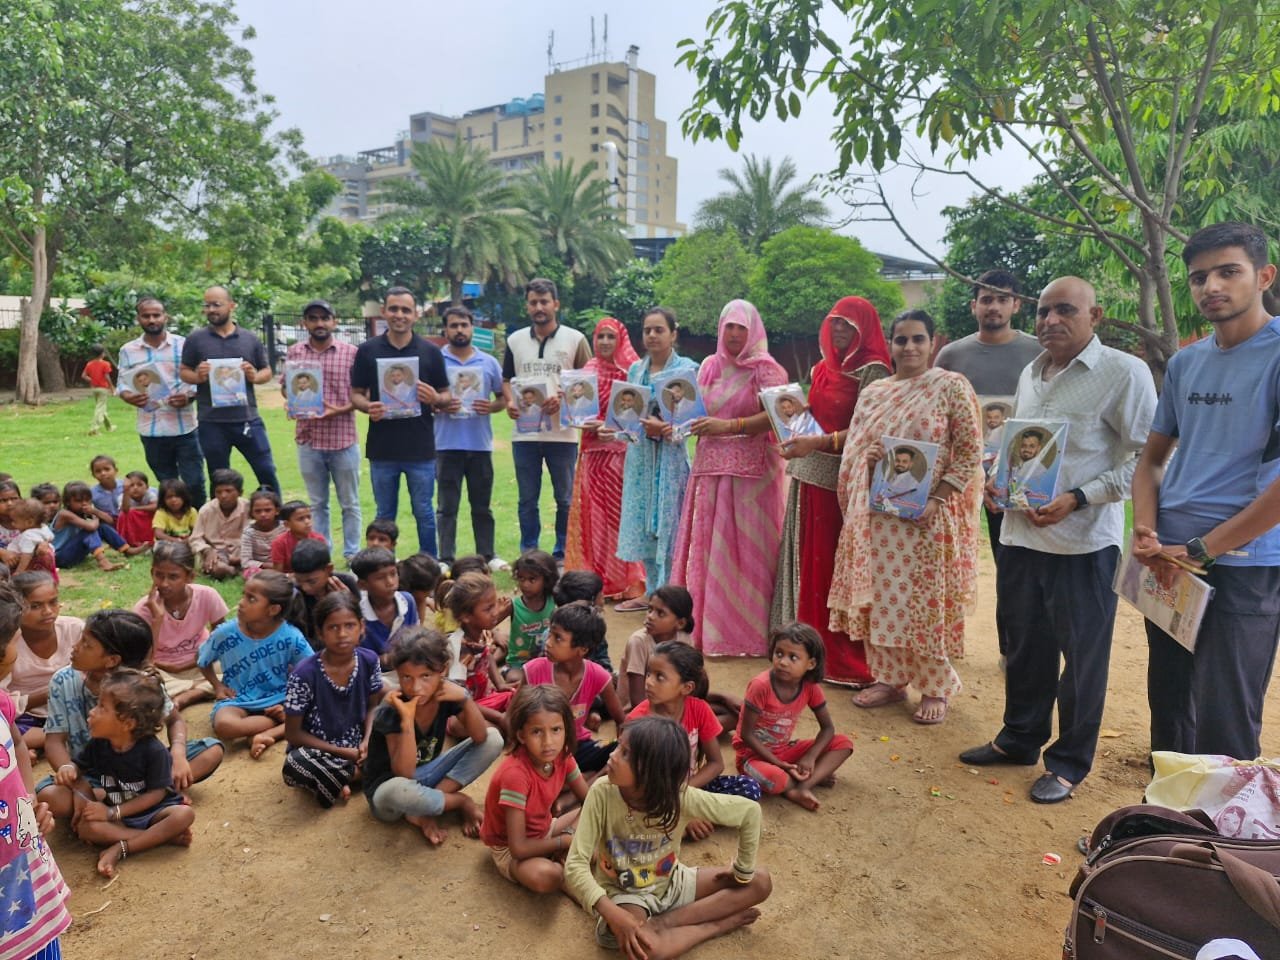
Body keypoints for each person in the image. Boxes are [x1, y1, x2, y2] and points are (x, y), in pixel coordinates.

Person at [959, 276, 1156, 803]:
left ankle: (1068, 764)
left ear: (1097, 315)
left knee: (1081, 658)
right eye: (1044, 311)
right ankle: (1020, 738)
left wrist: (1080, 496)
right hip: (1022, 535)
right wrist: (997, 481)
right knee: (1025, 646)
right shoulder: (1032, 371)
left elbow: (1146, 456)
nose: (1049, 321)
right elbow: (1022, 446)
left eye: (1064, 310)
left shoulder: (1124, 372)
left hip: (1083, 543)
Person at [1132, 222, 1280, 763]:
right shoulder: (1186, 363)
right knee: (1169, 705)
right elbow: (1149, 461)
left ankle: (1223, 843)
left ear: (1264, 276)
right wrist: (1145, 531)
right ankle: (1166, 830)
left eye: (1228, 271)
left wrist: (1200, 551)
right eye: (1198, 277)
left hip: (1243, 562)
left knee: (1225, 717)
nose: (1211, 286)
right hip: (1168, 557)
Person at [830, 309, 983, 725]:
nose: (910, 347)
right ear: (892, 345)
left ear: (934, 342)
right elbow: (856, 451)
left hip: (928, 517)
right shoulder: (876, 391)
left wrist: (938, 499)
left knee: (925, 601)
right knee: (884, 600)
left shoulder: (950, 387)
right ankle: (889, 678)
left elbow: (970, 451)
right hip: (880, 518)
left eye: (918, 339)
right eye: (901, 340)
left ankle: (934, 685)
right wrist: (872, 458)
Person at [564, 715, 771, 958]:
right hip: (625, 892)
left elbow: (750, 812)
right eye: (619, 746)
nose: (613, 755)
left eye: (626, 753)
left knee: (760, 881)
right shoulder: (602, 791)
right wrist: (611, 911)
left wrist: (742, 870)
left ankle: (667, 923)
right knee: (647, 950)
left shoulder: (679, 797)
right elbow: (575, 864)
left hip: (672, 881)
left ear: (653, 772)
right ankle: (713, 925)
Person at [773, 297, 891, 684]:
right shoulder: (823, 367)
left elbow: (868, 430)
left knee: (832, 564)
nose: (840, 331)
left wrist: (817, 443)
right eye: (835, 323)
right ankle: (803, 646)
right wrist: (792, 425)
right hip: (808, 474)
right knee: (809, 560)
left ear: (865, 328)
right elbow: (815, 418)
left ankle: (837, 653)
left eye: (849, 325)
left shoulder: (875, 370)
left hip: (844, 481)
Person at [934, 271, 1042, 665]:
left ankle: (1011, 650)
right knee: (945, 559)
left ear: (1016, 305)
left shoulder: (1037, 353)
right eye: (985, 298)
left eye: (1002, 299)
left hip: (1012, 477)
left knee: (1012, 563)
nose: (993, 306)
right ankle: (938, 645)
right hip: (958, 478)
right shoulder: (952, 357)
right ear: (973, 306)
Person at [671, 300, 788, 656]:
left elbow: (777, 416)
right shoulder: (708, 367)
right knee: (711, 551)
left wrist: (730, 426)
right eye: (729, 327)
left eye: (741, 327)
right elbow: (695, 410)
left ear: (753, 330)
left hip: (753, 477)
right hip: (710, 469)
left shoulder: (767, 370)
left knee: (746, 551)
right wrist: (680, 411)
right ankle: (711, 628)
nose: (734, 334)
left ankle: (745, 632)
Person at [39, 608, 225, 819]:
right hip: (90, 773)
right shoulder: (63, 681)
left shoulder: (141, 683)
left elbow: (175, 721)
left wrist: (179, 755)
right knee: (51, 797)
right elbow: (54, 741)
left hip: (142, 771)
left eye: (86, 645)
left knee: (211, 750)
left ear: (112, 660)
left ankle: (128, 802)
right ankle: (152, 799)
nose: (75, 648)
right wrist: (74, 778)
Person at [362, 626, 503, 845]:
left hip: (427, 778)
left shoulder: (447, 694)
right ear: (398, 674)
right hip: (390, 795)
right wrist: (407, 721)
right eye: (406, 677)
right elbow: (404, 774)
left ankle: (425, 807)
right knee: (397, 791)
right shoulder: (391, 708)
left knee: (494, 739)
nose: (416, 687)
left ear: (443, 671)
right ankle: (456, 802)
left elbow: (479, 737)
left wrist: (465, 698)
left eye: (426, 676)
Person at [64, 668, 196, 878]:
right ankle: (158, 837)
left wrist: (111, 813)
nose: (92, 712)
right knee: (86, 828)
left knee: (184, 814)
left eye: (101, 707)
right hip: (122, 818)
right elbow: (79, 764)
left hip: (154, 812)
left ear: (127, 723)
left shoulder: (154, 751)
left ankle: (123, 847)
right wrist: (69, 769)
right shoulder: (98, 745)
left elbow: (156, 794)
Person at [0, 579, 73, 960]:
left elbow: (15, 741)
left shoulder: (1, 700)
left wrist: (27, 800)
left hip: (21, 855)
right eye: (15, 639)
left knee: (39, 939)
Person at [351, 287, 450, 557]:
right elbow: (356, 394)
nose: (399, 315)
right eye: (393, 309)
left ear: (415, 315)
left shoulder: (430, 351)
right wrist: (367, 406)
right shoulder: (367, 351)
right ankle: (383, 563)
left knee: (424, 511)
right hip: (383, 449)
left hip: (420, 447)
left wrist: (435, 397)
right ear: (384, 311)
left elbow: (446, 394)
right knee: (384, 514)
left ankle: (429, 563)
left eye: (406, 310)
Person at [501, 278, 592, 561]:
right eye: (533, 302)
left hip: (562, 435)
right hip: (525, 435)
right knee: (527, 499)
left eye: (544, 301)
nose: (539, 307)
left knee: (564, 499)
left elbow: (588, 384)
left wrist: (564, 398)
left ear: (556, 304)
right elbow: (506, 380)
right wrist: (509, 401)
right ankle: (529, 551)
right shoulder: (514, 340)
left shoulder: (575, 339)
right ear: (527, 305)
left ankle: (563, 551)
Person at [627, 641, 763, 815]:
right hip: (653, 794)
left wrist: (684, 794)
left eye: (659, 677)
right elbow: (636, 781)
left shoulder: (699, 709)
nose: (649, 682)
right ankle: (686, 820)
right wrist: (674, 800)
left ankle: (686, 819)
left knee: (749, 788)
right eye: (648, 674)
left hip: (690, 786)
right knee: (640, 810)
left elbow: (716, 763)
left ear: (686, 687)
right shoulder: (638, 721)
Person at [565, 317, 647, 604]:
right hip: (593, 456)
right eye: (600, 337)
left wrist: (616, 428)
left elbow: (639, 414)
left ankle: (626, 579)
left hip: (622, 457)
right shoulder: (585, 373)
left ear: (621, 339)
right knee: (595, 520)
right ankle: (596, 580)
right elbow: (577, 413)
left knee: (620, 518)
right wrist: (586, 424)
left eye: (611, 337)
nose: (605, 343)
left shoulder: (633, 372)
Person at [481, 683, 589, 892]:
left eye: (556, 730)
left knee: (597, 811)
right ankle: (562, 862)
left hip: (545, 829)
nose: (549, 742)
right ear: (521, 735)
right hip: (510, 849)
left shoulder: (562, 755)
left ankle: (563, 857)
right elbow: (519, 848)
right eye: (537, 732)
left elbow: (589, 801)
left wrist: (567, 835)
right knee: (547, 876)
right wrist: (564, 841)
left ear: (566, 729)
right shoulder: (516, 775)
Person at [733, 623, 854, 811]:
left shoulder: (810, 687)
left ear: (811, 664)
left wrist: (810, 758)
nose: (783, 662)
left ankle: (802, 786)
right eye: (779, 653)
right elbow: (746, 735)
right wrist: (779, 764)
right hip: (752, 756)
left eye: (793, 657)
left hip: (783, 750)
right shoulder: (761, 685)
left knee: (843, 743)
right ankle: (800, 782)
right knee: (777, 779)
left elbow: (828, 728)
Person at [282, 592, 386, 808]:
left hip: (359, 746)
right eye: (333, 627)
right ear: (320, 632)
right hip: (318, 751)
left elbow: (373, 706)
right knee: (295, 765)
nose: (342, 634)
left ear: (362, 627)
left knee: (398, 741)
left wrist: (366, 741)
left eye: (349, 625)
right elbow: (293, 733)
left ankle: (334, 780)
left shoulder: (369, 660)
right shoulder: (304, 674)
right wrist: (343, 752)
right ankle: (354, 775)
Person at [197, 571, 311, 759]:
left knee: (312, 711)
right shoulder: (225, 633)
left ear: (273, 609)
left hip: (279, 697)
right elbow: (203, 660)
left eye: (251, 599)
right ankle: (277, 725)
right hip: (238, 699)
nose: (241, 602)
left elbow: (311, 670)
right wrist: (217, 686)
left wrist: (289, 702)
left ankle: (266, 734)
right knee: (224, 726)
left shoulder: (291, 636)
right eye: (244, 595)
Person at [179, 285, 280, 494]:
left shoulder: (249, 338)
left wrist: (254, 376)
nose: (211, 310)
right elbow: (184, 371)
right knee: (219, 477)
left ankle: (277, 519)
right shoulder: (196, 339)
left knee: (266, 470)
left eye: (217, 304)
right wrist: (198, 376)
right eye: (207, 305)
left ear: (231, 306)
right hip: (212, 421)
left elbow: (267, 371)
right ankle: (222, 522)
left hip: (247, 418)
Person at [282, 299, 362, 561]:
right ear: (304, 323)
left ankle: (352, 553)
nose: (319, 323)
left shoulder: (351, 353)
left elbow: (364, 394)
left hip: (343, 439)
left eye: (324, 318)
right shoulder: (295, 353)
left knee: (349, 503)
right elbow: (286, 386)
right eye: (313, 318)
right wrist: (293, 401)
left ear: (334, 321)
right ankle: (322, 552)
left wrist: (337, 409)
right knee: (317, 504)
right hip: (309, 440)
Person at [433, 306, 507, 572]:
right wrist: (439, 405)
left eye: (464, 325)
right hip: (445, 445)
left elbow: (502, 398)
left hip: (479, 444)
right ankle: (445, 558)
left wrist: (492, 407)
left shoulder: (488, 363)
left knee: (482, 507)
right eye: (453, 325)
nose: (459, 330)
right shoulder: (435, 360)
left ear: (472, 327)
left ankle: (487, 555)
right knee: (446, 507)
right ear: (446, 329)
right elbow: (423, 400)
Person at [118, 296, 207, 506]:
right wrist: (132, 398)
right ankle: (175, 528)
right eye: (146, 316)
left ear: (165, 316)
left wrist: (188, 397)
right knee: (167, 485)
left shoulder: (183, 345)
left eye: (156, 315)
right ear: (138, 318)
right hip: (151, 429)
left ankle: (199, 526)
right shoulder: (128, 350)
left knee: (194, 482)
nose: (152, 320)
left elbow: (199, 380)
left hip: (185, 427)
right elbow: (122, 386)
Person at [522, 602, 625, 774]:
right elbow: (514, 717)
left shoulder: (598, 675)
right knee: (542, 769)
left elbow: (621, 720)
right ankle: (579, 783)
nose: (548, 643)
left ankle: (577, 783)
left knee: (619, 752)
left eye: (557, 638)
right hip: (540, 750)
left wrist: (621, 751)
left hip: (576, 747)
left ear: (582, 649)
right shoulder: (533, 670)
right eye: (550, 635)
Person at [134, 541, 227, 710]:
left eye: (173, 577)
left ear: (190, 576)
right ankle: (204, 688)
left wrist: (191, 663)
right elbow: (145, 661)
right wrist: (157, 619)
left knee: (241, 667)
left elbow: (221, 640)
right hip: (163, 670)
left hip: (203, 663)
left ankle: (187, 695)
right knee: (142, 685)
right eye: (159, 575)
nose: (164, 583)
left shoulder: (207, 595)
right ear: (151, 573)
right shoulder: (144, 608)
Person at [5, 572, 80, 752]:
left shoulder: (74, 629)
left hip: (74, 707)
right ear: (16, 609)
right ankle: (66, 737)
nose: (48, 611)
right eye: (35, 605)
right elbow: (4, 702)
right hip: (27, 717)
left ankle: (44, 743)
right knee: (6, 728)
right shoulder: (8, 644)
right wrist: (51, 692)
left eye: (53, 602)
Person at [443, 572, 517, 731]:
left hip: (485, 699)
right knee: (462, 725)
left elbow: (488, 655)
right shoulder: (460, 649)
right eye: (488, 608)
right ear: (466, 617)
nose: (496, 611)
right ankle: (502, 728)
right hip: (463, 707)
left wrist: (501, 684)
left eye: (495, 604)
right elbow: (459, 698)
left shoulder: (482, 631)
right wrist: (498, 717)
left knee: (519, 694)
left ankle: (504, 726)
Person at [617, 585, 696, 712]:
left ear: (680, 623)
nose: (650, 616)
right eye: (650, 610)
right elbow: (637, 700)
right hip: (640, 711)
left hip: (671, 702)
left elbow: (692, 683)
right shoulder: (639, 641)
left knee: (726, 710)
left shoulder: (684, 639)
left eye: (660, 613)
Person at [351, 546, 419, 669]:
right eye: (380, 578)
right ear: (362, 585)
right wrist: (384, 660)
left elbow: (415, 640)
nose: (390, 582)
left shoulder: (407, 602)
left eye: (393, 574)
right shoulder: (356, 614)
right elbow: (355, 658)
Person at [290, 540, 360, 648]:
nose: (305, 587)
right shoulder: (296, 594)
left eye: (311, 581)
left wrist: (347, 601)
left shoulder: (347, 583)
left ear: (329, 569)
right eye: (299, 581)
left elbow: (359, 621)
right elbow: (299, 636)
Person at [51, 481, 130, 570]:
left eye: (87, 500)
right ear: (67, 502)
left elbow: (110, 521)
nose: (84, 503)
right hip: (60, 557)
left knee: (102, 527)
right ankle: (103, 561)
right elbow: (91, 527)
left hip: (74, 553)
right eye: (78, 501)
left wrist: (94, 511)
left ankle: (126, 550)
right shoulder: (64, 514)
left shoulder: (83, 512)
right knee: (89, 531)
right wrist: (95, 518)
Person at [189, 468, 248, 579]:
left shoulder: (248, 508)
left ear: (240, 492)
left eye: (228, 491)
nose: (223, 496)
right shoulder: (206, 510)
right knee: (216, 569)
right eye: (218, 492)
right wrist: (207, 550)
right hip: (217, 552)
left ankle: (237, 569)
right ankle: (234, 571)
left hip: (242, 551)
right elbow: (195, 538)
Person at [507, 549, 559, 668]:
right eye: (521, 578)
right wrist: (495, 634)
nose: (525, 584)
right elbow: (490, 620)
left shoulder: (554, 602)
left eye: (532, 579)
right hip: (520, 664)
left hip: (548, 661)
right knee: (515, 678)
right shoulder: (513, 606)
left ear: (546, 579)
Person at [268, 500, 325, 575]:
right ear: (287, 524)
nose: (307, 521)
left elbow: (324, 566)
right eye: (300, 519)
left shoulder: (319, 539)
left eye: (309, 517)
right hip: (290, 580)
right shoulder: (279, 543)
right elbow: (277, 574)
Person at [239, 489, 284, 578]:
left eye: (268, 510)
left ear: (277, 511)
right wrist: (266, 565)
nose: (263, 514)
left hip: (282, 566)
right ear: (252, 513)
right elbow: (245, 562)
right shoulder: (249, 533)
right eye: (258, 511)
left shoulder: (285, 528)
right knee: (251, 572)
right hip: (260, 568)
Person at [82, 342, 117, 436]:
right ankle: (94, 428)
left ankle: (109, 427)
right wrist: (112, 387)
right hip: (103, 389)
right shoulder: (105, 364)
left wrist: (92, 380)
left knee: (101, 408)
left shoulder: (89, 364)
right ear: (102, 353)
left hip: (94, 389)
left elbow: (84, 376)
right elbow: (107, 376)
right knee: (99, 408)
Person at [152, 479, 197, 543]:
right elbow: (158, 534)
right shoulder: (161, 513)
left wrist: (188, 540)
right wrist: (177, 541)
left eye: (177, 496)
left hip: (188, 542)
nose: (173, 500)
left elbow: (198, 531)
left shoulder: (191, 511)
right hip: (168, 543)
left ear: (184, 497)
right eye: (169, 497)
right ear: (163, 500)